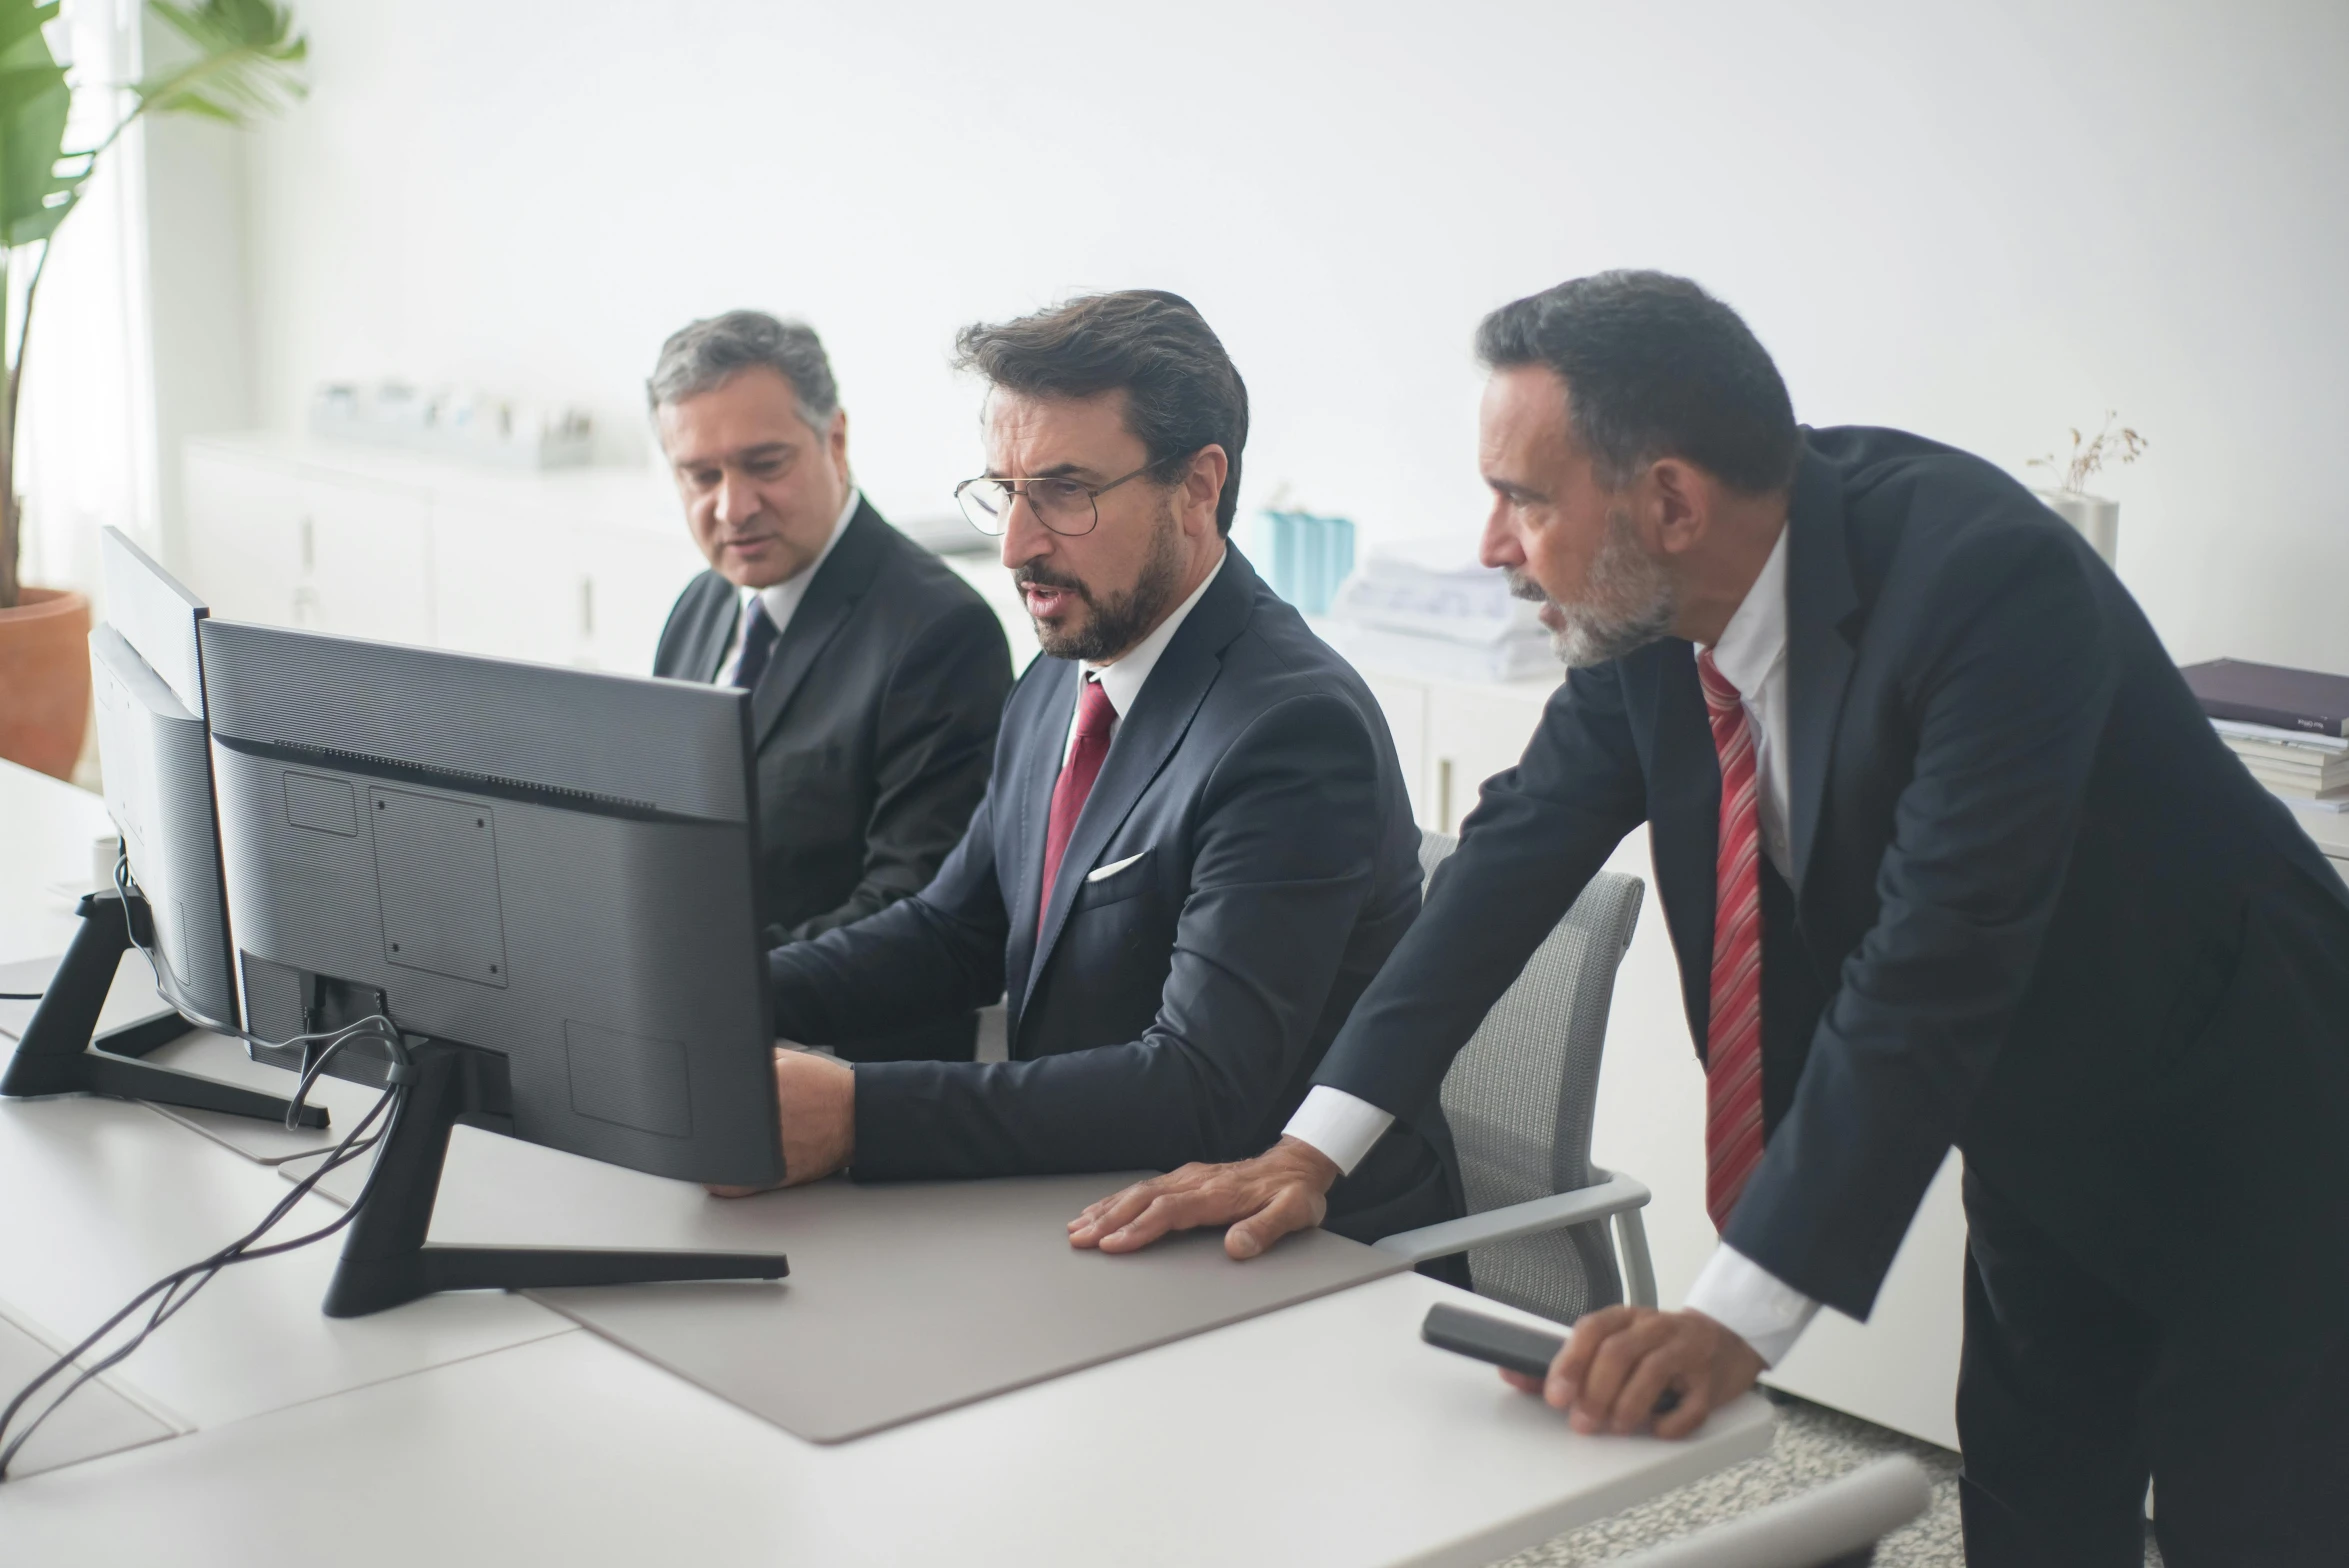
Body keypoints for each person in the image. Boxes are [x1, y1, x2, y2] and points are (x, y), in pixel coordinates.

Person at [1068, 271, 2349, 1565]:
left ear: (1669, 500)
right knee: (2031, 1506)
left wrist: (1732, 1313)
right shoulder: (1650, 621)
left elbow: (1931, 959)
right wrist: (1311, 1150)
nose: (1491, 548)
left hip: (2258, 1112)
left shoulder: (1988, 582)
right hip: (2032, 1105)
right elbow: (1508, 860)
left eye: (1522, 498)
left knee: (2250, 1522)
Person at [725, 290, 1456, 1251]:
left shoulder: (1292, 729)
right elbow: (953, 933)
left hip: (1293, 1262)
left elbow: (1199, 1083)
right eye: (1005, 490)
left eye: (1066, 492)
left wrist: (859, 1113)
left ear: (1197, 486)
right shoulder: (1068, 667)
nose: (1017, 544)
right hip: (1085, 1210)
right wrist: (728, 995)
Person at [650, 311, 1012, 1061]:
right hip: (695, 1042)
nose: (732, 506)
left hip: (844, 1070)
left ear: (834, 440)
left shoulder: (939, 633)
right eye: (701, 475)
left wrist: (698, 987)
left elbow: (910, 912)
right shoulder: (701, 604)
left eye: (765, 464)